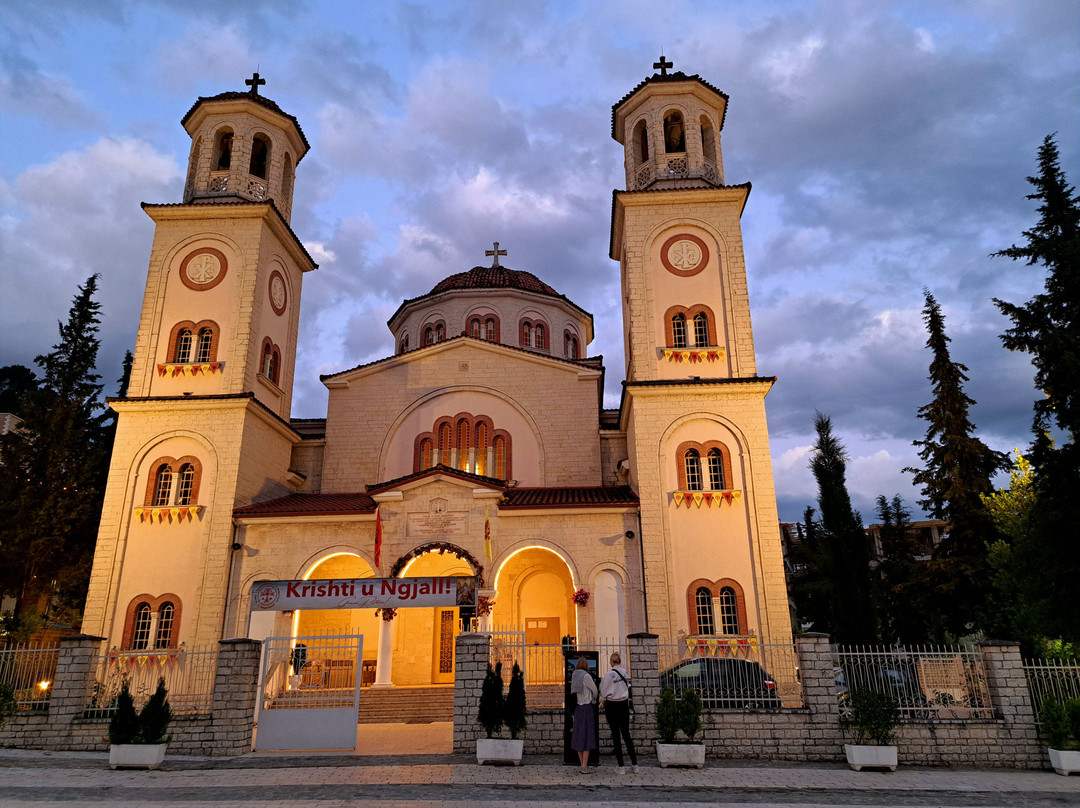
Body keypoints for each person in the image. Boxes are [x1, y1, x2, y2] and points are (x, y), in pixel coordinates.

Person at [600, 651, 638, 772]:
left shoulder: (609, 675)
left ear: (611, 662)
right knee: (626, 734)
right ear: (620, 661)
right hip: (623, 704)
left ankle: (621, 766)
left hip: (612, 705)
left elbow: (603, 691)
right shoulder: (624, 672)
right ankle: (635, 764)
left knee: (616, 735)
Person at [570, 656, 598, 773]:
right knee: (587, 736)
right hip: (587, 707)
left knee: (579, 735)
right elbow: (595, 690)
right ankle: (584, 766)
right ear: (586, 665)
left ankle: (583, 764)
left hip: (578, 708)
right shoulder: (586, 676)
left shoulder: (574, 675)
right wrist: (594, 700)